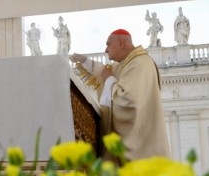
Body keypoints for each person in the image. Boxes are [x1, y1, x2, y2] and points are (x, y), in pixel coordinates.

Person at [70, 29, 170, 161]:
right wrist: (85, 61)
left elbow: (128, 99)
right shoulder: (126, 64)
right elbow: (104, 72)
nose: (106, 50)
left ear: (121, 44)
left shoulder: (139, 63)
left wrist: (110, 80)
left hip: (141, 149)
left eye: (108, 44)